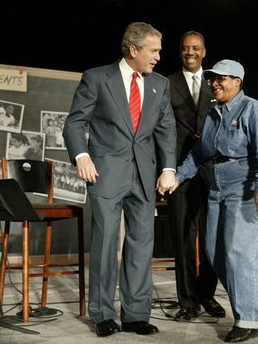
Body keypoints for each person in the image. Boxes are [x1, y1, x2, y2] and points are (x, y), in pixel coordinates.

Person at [63, 21, 177, 338]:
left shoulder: (160, 84)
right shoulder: (98, 78)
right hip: (106, 173)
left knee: (141, 246)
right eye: (153, 50)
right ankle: (101, 314)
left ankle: (136, 314)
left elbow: (166, 130)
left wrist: (169, 168)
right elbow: (74, 124)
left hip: (144, 175)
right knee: (105, 243)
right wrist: (81, 156)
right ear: (133, 49)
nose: (158, 56)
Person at [168, 59, 258, 342]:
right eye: (212, 79)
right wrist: (178, 176)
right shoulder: (213, 114)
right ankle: (251, 296)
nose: (215, 83)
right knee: (215, 253)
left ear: (238, 82)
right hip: (216, 189)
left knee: (238, 253)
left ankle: (247, 319)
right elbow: (198, 153)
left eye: (222, 78)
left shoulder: (252, 109)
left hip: (245, 189)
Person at [166, 31, 225, 322]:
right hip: (178, 170)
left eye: (195, 48)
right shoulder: (166, 84)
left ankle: (205, 292)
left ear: (204, 52)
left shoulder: (216, 83)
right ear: (180, 52)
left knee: (213, 238)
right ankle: (188, 302)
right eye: (185, 48)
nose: (190, 52)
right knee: (183, 239)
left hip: (212, 170)